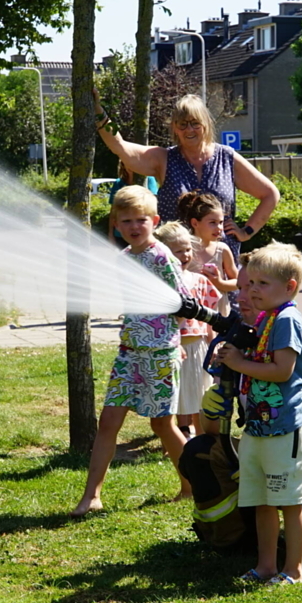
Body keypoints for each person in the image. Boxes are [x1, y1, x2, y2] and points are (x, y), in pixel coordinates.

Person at [180, 253, 302, 553]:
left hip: (299, 445)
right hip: (261, 437)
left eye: (257, 285)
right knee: (199, 453)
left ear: (285, 288)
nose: (247, 295)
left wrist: (269, 464)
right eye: (243, 287)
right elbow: (212, 432)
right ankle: (235, 537)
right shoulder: (243, 347)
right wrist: (215, 402)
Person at [71, 186, 191, 517]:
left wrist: (175, 340)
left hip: (158, 354)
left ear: (154, 221)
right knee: (108, 421)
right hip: (129, 353)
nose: (134, 226)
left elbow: (184, 302)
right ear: (116, 224)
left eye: (141, 220)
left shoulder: (161, 256)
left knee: (163, 425)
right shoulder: (123, 258)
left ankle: (192, 485)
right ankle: (91, 495)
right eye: (126, 221)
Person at [213, 244, 302, 585]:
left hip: (285, 428)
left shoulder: (286, 319)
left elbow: (283, 370)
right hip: (257, 427)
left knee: (288, 501)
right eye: (250, 282)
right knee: (262, 501)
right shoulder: (264, 318)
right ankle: (266, 566)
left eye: (262, 283)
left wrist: (239, 363)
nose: (252, 290)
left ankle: (294, 570)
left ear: (290, 287)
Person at [94, 91, 279, 259]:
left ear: (205, 124)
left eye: (195, 123)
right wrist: (99, 111)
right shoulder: (164, 158)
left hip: (220, 264)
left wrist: (246, 232)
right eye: (182, 124)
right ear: (174, 128)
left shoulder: (227, 157)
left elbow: (270, 194)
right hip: (174, 264)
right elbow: (120, 146)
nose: (189, 130)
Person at [154, 221, 220, 438]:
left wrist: (213, 345)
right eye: (178, 251)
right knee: (177, 396)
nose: (184, 255)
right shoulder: (161, 285)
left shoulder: (200, 280)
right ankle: (177, 437)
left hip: (198, 346)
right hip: (173, 346)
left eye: (187, 249)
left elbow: (210, 317)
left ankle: (203, 439)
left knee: (200, 395)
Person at [177, 190, 238, 316]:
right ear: (195, 223)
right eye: (212, 223)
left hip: (218, 315)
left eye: (220, 222)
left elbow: (238, 282)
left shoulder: (222, 250)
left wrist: (220, 283)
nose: (219, 228)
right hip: (192, 316)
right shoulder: (184, 251)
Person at [107, 161, 159, 248]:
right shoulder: (118, 183)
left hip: (141, 233)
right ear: (123, 165)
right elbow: (113, 211)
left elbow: (154, 205)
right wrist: (111, 233)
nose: (131, 166)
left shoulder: (149, 179)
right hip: (121, 234)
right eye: (128, 163)